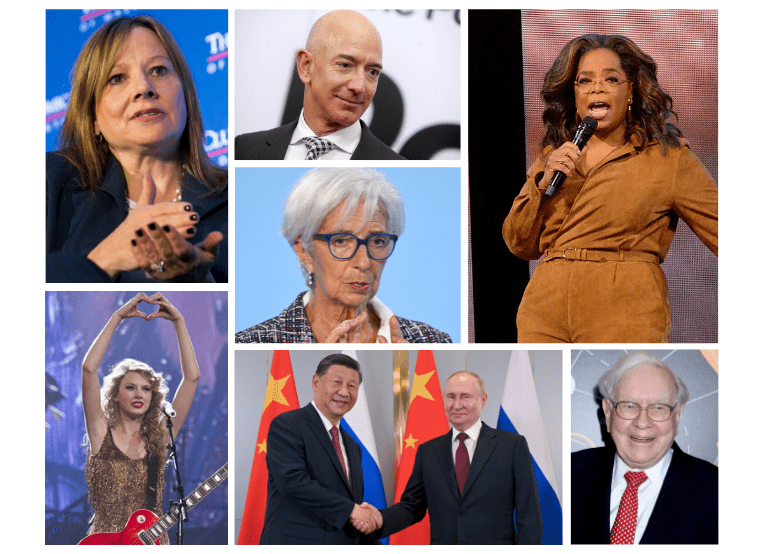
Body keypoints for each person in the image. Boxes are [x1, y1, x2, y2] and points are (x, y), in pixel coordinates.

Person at [502, 34, 717, 342]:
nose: (597, 87)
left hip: (625, 307)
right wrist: (542, 184)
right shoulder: (555, 156)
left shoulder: (668, 157)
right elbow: (519, 243)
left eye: (611, 79)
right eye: (584, 81)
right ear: (574, 94)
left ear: (631, 91)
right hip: (544, 308)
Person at [47, 15, 228, 283]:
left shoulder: (235, 197)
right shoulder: (49, 181)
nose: (144, 87)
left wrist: (201, 282)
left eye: (159, 70)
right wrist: (107, 257)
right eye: (117, 78)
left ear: (186, 96)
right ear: (92, 115)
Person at [234, 168, 451, 343]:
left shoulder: (430, 342)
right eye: (341, 241)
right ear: (303, 250)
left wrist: (405, 374)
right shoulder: (253, 343)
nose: (364, 263)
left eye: (377, 241)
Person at [355, 371, 543, 544]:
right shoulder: (427, 451)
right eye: (451, 397)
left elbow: (529, 515)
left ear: (483, 400)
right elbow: (412, 506)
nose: (457, 404)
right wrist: (380, 518)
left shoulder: (511, 445)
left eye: (465, 396)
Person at [81, 292, 201, 544]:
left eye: (146, 389)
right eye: (130, 387)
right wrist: (117, 317)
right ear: (114, 395)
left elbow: (191, 379)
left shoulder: (160, 436)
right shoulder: (100, 431)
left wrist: (179, 322)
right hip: (106, 543)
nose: (139, 394)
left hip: (152, 542)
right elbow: (89, 368)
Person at [571, 351, 717, 544]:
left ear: (678, 414)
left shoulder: (717, 491)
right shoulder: (571, 472)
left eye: (658, 407)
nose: (642, 423)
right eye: (629, 406)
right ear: (608, 412)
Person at [235, 10, 404, 161]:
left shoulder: (396, 167)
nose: (359, 86)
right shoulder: (244, 149)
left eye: (372, 72)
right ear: (306, 66)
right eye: (345, 65)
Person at [259, 354, 381, 544]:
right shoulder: (287, 425)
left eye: (352, 386)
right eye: (337, 382)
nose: (344, 392)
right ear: (316, 382)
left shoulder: (352, 445)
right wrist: (352, 510)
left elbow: (349, 508)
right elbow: (292, 482)